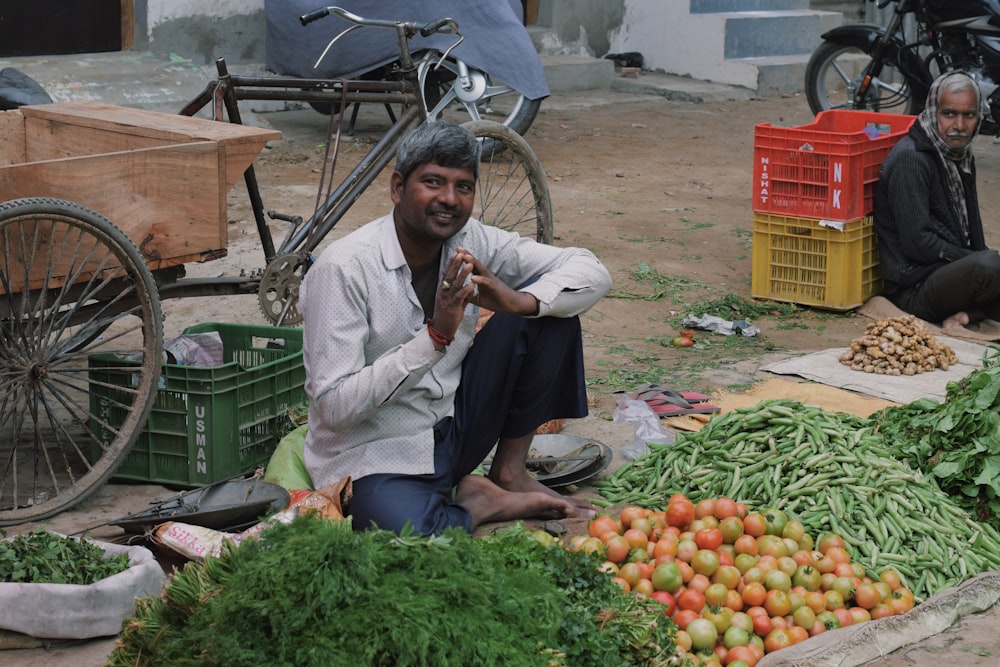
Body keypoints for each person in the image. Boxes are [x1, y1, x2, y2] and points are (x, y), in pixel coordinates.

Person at [298, 121, 612, 536]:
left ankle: (508, 472)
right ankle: (478, 504)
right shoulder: (345, 268)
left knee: (550, 315)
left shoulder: (471, 240)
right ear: (397, 188)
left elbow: (590, 269)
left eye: (463, 187)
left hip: (453, 429)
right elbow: (333, 408)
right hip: (374, 453)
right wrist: (433, 339)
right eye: (432, 182)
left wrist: (517, 301)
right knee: (402, 531)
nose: (449, 199)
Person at [874, 70, 1000, 330]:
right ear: (933, 111)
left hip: (950, 273)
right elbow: (917, 243)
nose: (959, 126)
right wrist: (977, 262)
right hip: (914, 289)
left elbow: (973, 227)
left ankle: (968, 315)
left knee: (989, 265)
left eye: (969, 115)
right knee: (989, 265)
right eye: (949, 114)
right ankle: (975, 309)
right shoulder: (912, 159)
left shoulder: (960, 155)